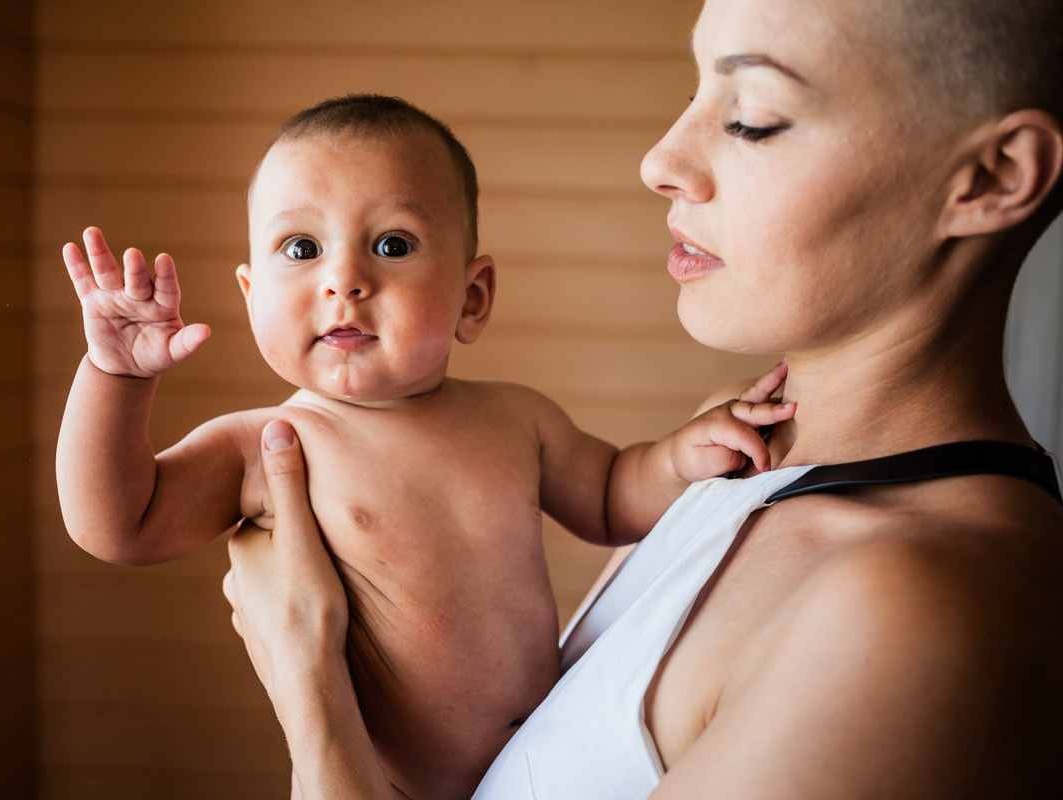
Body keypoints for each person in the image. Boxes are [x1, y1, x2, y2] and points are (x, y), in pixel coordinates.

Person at [220, 0, 1063, 797]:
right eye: (691, 95)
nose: (660, 162)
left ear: (990, 177)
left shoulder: (908, 620)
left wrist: (311, 691)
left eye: (751, 118)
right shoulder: (733, 456)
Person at [55, 95, 796, 799]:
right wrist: (115, 378)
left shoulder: (516, 419)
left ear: (470, 298)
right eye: (302, 247)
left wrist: (680, 457)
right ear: (251, 296)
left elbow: (609, 496)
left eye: (392, 244)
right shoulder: (272, 444)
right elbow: (121, 522)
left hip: (541, 765)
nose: (344, 280)